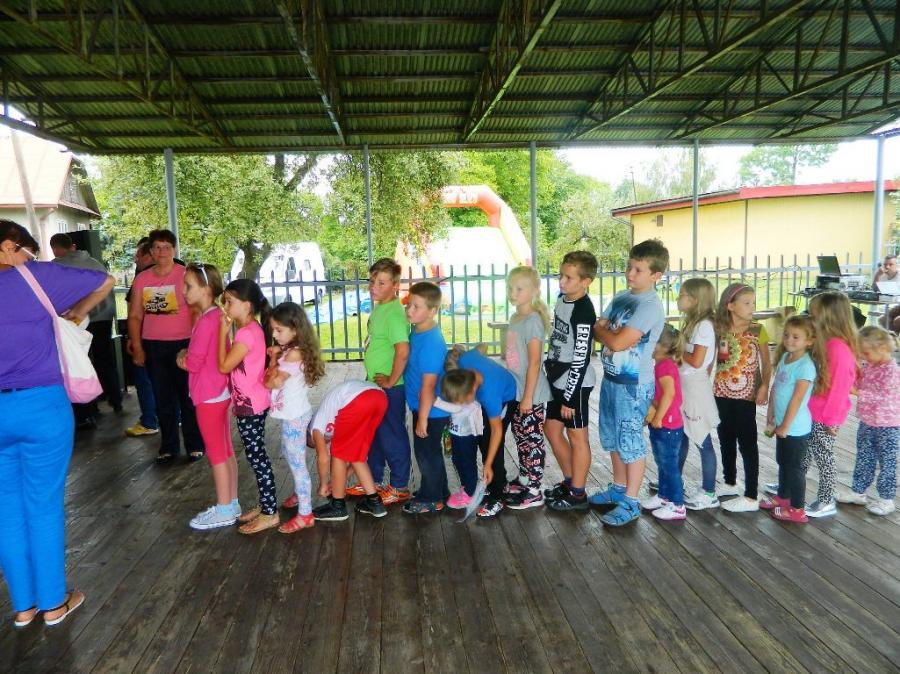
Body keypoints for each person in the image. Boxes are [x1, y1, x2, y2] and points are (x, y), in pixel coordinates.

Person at [0, 219, 114, 627]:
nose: (30, 258)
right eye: (27, 251)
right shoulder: (37, 277)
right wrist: (78, 312)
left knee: (6, 511)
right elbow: (105, 280)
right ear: (8, 246)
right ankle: (53, 603)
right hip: (41, 407)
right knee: (43, 505)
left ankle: (23, 606)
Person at [590, 240, 667, 526]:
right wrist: (607, 333)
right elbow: (601, 328)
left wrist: (607, 333)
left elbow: (618, 341)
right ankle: (619, 487)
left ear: (656, 275)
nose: (630, 274)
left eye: (638, 270)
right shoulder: (623, 296)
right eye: (629, 267)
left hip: (634, 386)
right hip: (612, 378)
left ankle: (632, 501)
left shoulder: (650, 306)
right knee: (612, 436)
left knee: (631, 441)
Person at [127, 229, 204, 462]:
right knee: (163, 399)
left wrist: (194, 345)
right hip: (153, 346)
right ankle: (169, 446)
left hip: (183, 344)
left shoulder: (185, 275)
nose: (162, 252)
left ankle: (194, 444)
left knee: (187, 398)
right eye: (157, 247)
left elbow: (197, 311)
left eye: (166, 247)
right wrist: (138, 347)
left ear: (174, 250)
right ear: (150, 251)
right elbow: (135, 316)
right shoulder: (142, 279)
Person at [176, 264, 238, 531]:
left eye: (188, 286)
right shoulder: (218, 315)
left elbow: (194, 362)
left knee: (216, 453)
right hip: (220, 390)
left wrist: (181, 357)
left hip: (208, 394)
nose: (183, 290)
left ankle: (224, 508)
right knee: (225, 449)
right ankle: (231, 503)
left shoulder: (205, 321)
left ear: (206, 289)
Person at [348, 258, 412, 506]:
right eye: (372, 281)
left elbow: (402, 350)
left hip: (390, 388)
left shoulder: (394, 314)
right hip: (376, 385)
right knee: (374, 432)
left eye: (381, 283)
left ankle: (399, 486)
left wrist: (391, 380)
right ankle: (372, 481)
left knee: (392, 434)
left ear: (395, 285)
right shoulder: (380, 308)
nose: (374, 286)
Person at [217, 279, 278, 534]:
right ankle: (266, 504)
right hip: (251, 402)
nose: (225, 306)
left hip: (251, 405)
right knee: (256, 455)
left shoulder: (246, 333)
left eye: (230, 301)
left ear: (247, 305)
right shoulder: (251, 329)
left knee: (257, 457)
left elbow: (224, 366)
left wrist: (222, 333)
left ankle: (270, 513)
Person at [542, 251, 598, 513]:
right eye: (561, 275)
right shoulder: (561, 298)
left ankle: (578, 493)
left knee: (577, 437)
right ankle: (569, 481)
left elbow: (581, 357)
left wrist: (570, 397)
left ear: (585, 281)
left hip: (575, 384)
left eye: (569, 278)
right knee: (552, 430)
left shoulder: (584, 311)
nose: (562, 282)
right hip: (557, 378)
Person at [50, 232, 122, 426]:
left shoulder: (57, 267)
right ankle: (116, 399)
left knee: (80, 361)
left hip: (78, 319)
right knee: (105, 359)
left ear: (55, 249)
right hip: (104, 317)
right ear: (72, 246)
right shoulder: (94, 263)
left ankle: (88, 410)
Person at [266, 302, 326, 533]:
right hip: (295, 414)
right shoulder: (293, 349)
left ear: (295, 329)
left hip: (294, 417)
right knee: (292, 456)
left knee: (297, 464)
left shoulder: (294, 353)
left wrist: (272, 361)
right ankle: (299, 496)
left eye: (279, 330)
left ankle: (305, 514)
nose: (274, 334)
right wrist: (276, 356)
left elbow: (273, 382)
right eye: (273, 329)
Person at [712, 283, 771, 513]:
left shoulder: (758, 330)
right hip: (721, 391)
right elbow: (713, 359)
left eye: (753, 303)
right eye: (747, 303)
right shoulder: (719, 329)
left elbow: (767, 363)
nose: (752, 307)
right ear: (730, 306)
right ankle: (730, 482)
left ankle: (751, 494)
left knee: (747, 442)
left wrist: (764, 385)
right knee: (725, 436)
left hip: (746, 395)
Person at [501, 266, 553, 511]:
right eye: (510, 288)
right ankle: (524, 478)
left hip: (531, 392)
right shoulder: (515, 318)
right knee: (520, 435)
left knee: (532, 440)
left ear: (534, 291)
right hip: (518, 390)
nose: (513, 293)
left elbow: (534, 362)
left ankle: (534, 489)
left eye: (519, 289)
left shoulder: (533, 321)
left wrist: (528, 397)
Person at [445, 346, 518, 518]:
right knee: (483, 438)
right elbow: (482, 346)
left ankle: (497, 496)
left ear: (473, 391)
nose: (463, 404)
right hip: (493, 386)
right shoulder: (465, 360)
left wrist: (488, 464)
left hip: (507, 396)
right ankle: (500, 482)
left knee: (491, 445)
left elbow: (497, 433)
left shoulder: (489, 395)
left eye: (464, 400)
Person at [759, 316, 819, 523]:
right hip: (782, 424)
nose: (789, 340)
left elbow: (797, 399)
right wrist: (771, 413)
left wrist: (785, 424)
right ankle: (783, 496)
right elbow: (776, 388)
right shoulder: (786, 358)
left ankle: (797, 509)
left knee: (795, 468)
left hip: (795, 427)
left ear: (809, 341)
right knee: (783, 462)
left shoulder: (806, 366)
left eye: (795, 337)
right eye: (786, 335)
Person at [401, 281, 451, 515]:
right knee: (430, 452)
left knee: (426, 453)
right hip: (423, 406)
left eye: (416, 307)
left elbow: (428, 386)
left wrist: (422, 419)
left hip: (431, 409)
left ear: (432, 311)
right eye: (409, 305)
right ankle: (440, 492)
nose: (409, 310)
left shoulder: (431, 342)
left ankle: (431, 498)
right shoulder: (418, 330)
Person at [838, 326, 899, 516]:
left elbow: (883, 396)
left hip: (887, 426)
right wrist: (851, 380)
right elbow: (859, 383)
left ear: (882, 348)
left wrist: (858, 392)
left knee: (887, 462)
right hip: (867, 421)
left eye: (866, 353)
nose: (863, 357)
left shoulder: (892, 371)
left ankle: (886, 499)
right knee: (864, 457)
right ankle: (858, 491)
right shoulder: (870, 366)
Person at [309, 380, 388, 521]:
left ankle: (338, 506)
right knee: (358, 455)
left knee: (338, 453)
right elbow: (355, 458)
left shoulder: (315, 426)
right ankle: (374, 502)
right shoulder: (333, 419)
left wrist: (323, 484)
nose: (320, 443)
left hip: (358, 400)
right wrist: (336, 482)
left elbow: (323, 457)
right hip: (380, 399)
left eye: (313, 443)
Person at [676, 278, 720, 511]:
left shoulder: (703, 326)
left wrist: (675, 349)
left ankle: (709, 491)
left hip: (694, 389)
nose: (678, 298)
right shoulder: (693, 323)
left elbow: (697, 360)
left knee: (703, 440)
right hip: (686, 386)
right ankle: (675, 479)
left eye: (682, 294)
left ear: (695, 300)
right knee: (682, 436)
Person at [640, 325, 687, 521]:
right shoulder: (662, 364)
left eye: (650, 341)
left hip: (667, 425)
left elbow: (669, 393)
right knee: (662, 463)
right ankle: (664, 496)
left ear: (662, 346)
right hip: (663, 425)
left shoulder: (664, 366)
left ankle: (677, 505)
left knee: (669, 466)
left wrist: (658, 417)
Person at [124, 239, 159, 437]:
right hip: (162, 338)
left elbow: (134, 312)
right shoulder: (173, 274)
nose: (136, 260)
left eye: (138, 256)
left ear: (149, 255)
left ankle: (149, 420)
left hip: (145, 337)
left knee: (144, 380)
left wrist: (133, 339)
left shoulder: (143, 279)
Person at [434, 371, 484, 510]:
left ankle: (470, 493)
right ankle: (466, 486)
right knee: (457, 460)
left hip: (466, 439)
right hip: (457, 436)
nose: (452, 400)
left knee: (467, 463)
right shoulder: (462, 400)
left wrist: (435, 401)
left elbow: (453, 408)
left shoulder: (465, 404)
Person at [873, 254, 900, 332]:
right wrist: (877, 275)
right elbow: (875, 289)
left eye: (891, 264)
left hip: (897, 304)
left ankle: (894, 337)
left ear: (896, 266)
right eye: (885, 265)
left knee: (897, 321)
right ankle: (892, 337)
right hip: (892, 304)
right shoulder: (882, 275)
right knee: (882, 320)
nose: (887, 267)